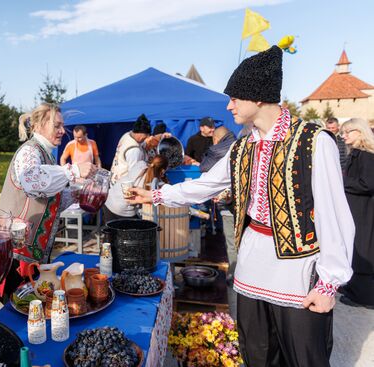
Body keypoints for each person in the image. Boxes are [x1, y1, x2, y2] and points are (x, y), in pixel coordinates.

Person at [128, 46, 354, 366]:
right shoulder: (242, 146)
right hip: (251, 269)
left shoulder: (313, 142)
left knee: (305, 358)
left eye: (235, 97)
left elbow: (336, 217)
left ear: (258, 97)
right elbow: (206, 185)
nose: (228, 105)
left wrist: (330, 283)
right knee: (256, 355)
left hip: (297, 273)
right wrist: (155, 196)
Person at [0, 103, 95, 294]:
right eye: (56, 126)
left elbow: (49, 199)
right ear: (39, 125)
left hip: (33, 249)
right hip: (18, 252)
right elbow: (33, 182)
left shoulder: (46, 155)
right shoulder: (30, 151)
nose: (62, 131)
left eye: (62, 126)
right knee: (18, 304)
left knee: (34, 302)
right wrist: (74, 170)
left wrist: (77, 194)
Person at [339, 118, 374, 309]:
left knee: (362, 249)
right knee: (353, 249)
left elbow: (368, 184)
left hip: (363, 211)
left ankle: (365, 297)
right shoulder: (357, 154)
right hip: (355, 209)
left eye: (347, 132)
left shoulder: (367, 156)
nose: (343, 136)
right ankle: (353, 289)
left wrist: (341, 182)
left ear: (359, 133)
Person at [103, 155, 169, 223]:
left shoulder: (140, 164)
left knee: (111, 231)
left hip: (109, 200)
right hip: (123, 211)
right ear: (163, 171)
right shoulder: (155, 184)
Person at [110, 113, 151, 185]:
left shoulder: (127, 135)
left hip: (114, 177)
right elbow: (134, 174)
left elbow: (142, 144)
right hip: (123, 184)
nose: (145, 139)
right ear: (139, 133)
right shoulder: (134, 150)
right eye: (144, 137)